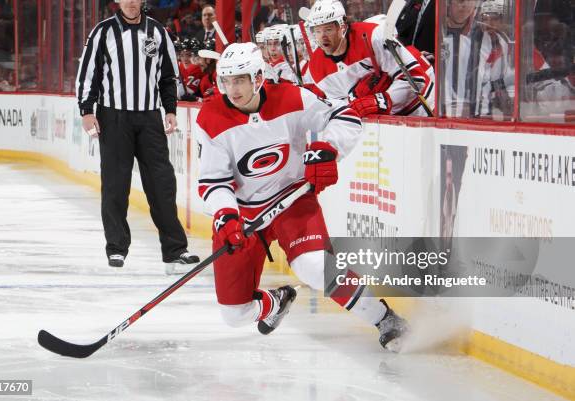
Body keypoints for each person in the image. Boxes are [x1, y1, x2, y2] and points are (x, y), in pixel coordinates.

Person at [195, 42, 409, 351]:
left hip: (291, 199)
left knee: (313, 265)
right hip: (243, 215)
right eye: (226, 80)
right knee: (235, 314)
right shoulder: (211, 117)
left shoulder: (291, 97)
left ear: (258, 77)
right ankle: (276, 301)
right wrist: (225, 216)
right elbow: (213, 181)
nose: (232, 88)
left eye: (240, 79)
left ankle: (384, 318)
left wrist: (328, 148)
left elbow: (344, 116)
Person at [76, 0, 199, 273]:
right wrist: (87, 109)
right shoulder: (102, 32)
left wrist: (170, 109)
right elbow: (88, 74)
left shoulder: (157, 32)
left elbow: (169, 76)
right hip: (113, 117)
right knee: (115, 185)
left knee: (162, 184)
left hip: (149, 119)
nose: (131, 2)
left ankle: (175, 249)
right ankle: (117, 248)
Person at [305, 0, 435, 117]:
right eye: (317, 31)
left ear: (342, 27)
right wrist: (354, 100)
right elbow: (339, 109)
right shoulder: (317, 66)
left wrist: (380, 100)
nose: (322, 37)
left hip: (420, 110)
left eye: (328, 29)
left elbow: (416, 79)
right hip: (378, 125)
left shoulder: (374, 36)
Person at [440, 0, 511, 118]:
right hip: (444, 112)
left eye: (495, 18)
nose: (490, 23)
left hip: (479, 114)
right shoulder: (440, 33)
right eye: (486, 18)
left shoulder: (497, 42)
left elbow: (496, 80)